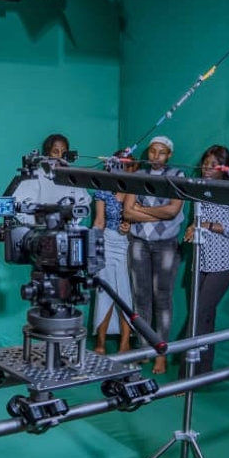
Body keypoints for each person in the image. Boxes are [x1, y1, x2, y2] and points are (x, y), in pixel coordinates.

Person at [178, 145, 229, 378]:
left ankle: (186, 372)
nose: (207, 169)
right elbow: (197, 220)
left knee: (200, 311)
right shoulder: (198, 188)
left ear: (224, 168)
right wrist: (193, 227)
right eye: (205, 164)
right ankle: (204, 370)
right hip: (201, 258)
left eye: (213, 165)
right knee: (205, 315)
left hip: (225, 260)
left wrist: (206, 226)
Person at [122, 136, 185, 375]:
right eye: (152, 151)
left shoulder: (177, 176)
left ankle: (161, 354)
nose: (155, 156)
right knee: (141, 298)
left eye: (161, 152)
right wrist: (149, 213)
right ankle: (144, 350)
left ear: (169, 155)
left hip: (166, 244)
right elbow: (127, 213)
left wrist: (141, 210)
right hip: (139, 243)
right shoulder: (138, 176)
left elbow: (172, 211)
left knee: (163, 299)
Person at [91, 150, 135, 354]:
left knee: (125, 294)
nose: (123, 167)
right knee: (104, 292)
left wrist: (130, 225)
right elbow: (99, 221)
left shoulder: (138, 189)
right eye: (118, 163)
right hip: (107, 241)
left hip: (129, 244)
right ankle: (100, 341)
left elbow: (144, 217)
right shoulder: (103, 189)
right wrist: (93, 250)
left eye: (127, 164)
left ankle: (125, 342)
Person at [11, 133, 91, 225]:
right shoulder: (36, 175)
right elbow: (17, 206)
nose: (60, 156)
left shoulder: (73, 177)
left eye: (63, 152)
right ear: (47, 153)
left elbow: (84, 205)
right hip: (40, 232)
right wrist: (37, 225)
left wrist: (70, 222)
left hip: (67, 232)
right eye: (55, 152)